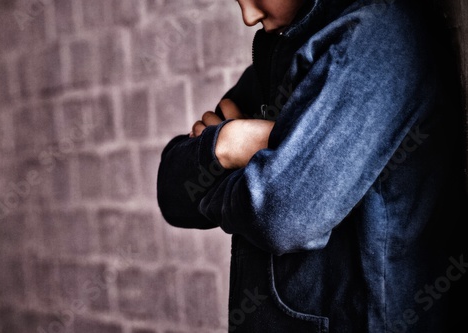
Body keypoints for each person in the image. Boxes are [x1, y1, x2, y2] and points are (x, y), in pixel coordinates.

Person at [156, 0, 468, 331]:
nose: (248, 17)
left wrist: (246, 155)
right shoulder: (283, 53)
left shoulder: (376, 34)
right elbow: (171, 196)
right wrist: (225, 145)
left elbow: (280, 215)